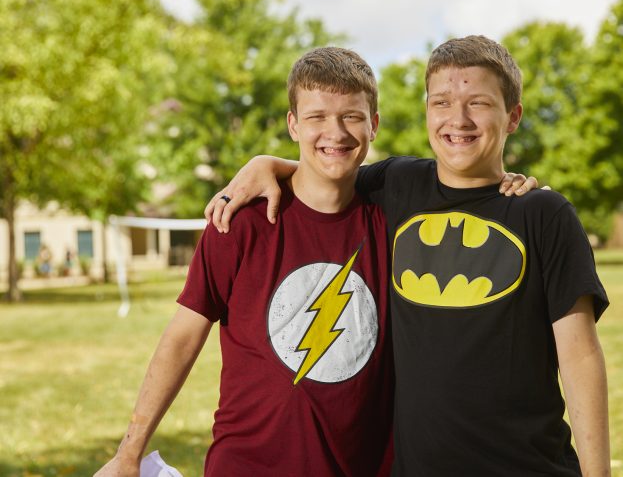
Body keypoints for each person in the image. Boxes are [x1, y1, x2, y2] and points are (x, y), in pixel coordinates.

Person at [205, 36, 610, 476]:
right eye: (442, 102)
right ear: (426, 111)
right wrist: (265, 163)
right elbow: (328, 164)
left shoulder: (545, 214)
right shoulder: (398, 185)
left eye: (478, 103)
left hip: (526, 465)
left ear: (513, 117)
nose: (459, 119)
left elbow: (580, 358)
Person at [96, 47, 396, 477]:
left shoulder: (394, 224)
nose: (336, 131)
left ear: (374, 125)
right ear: (293, 125)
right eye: (316, 117)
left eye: (351, 116)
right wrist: (129, 453)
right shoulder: (239, 223)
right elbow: (181, 338)